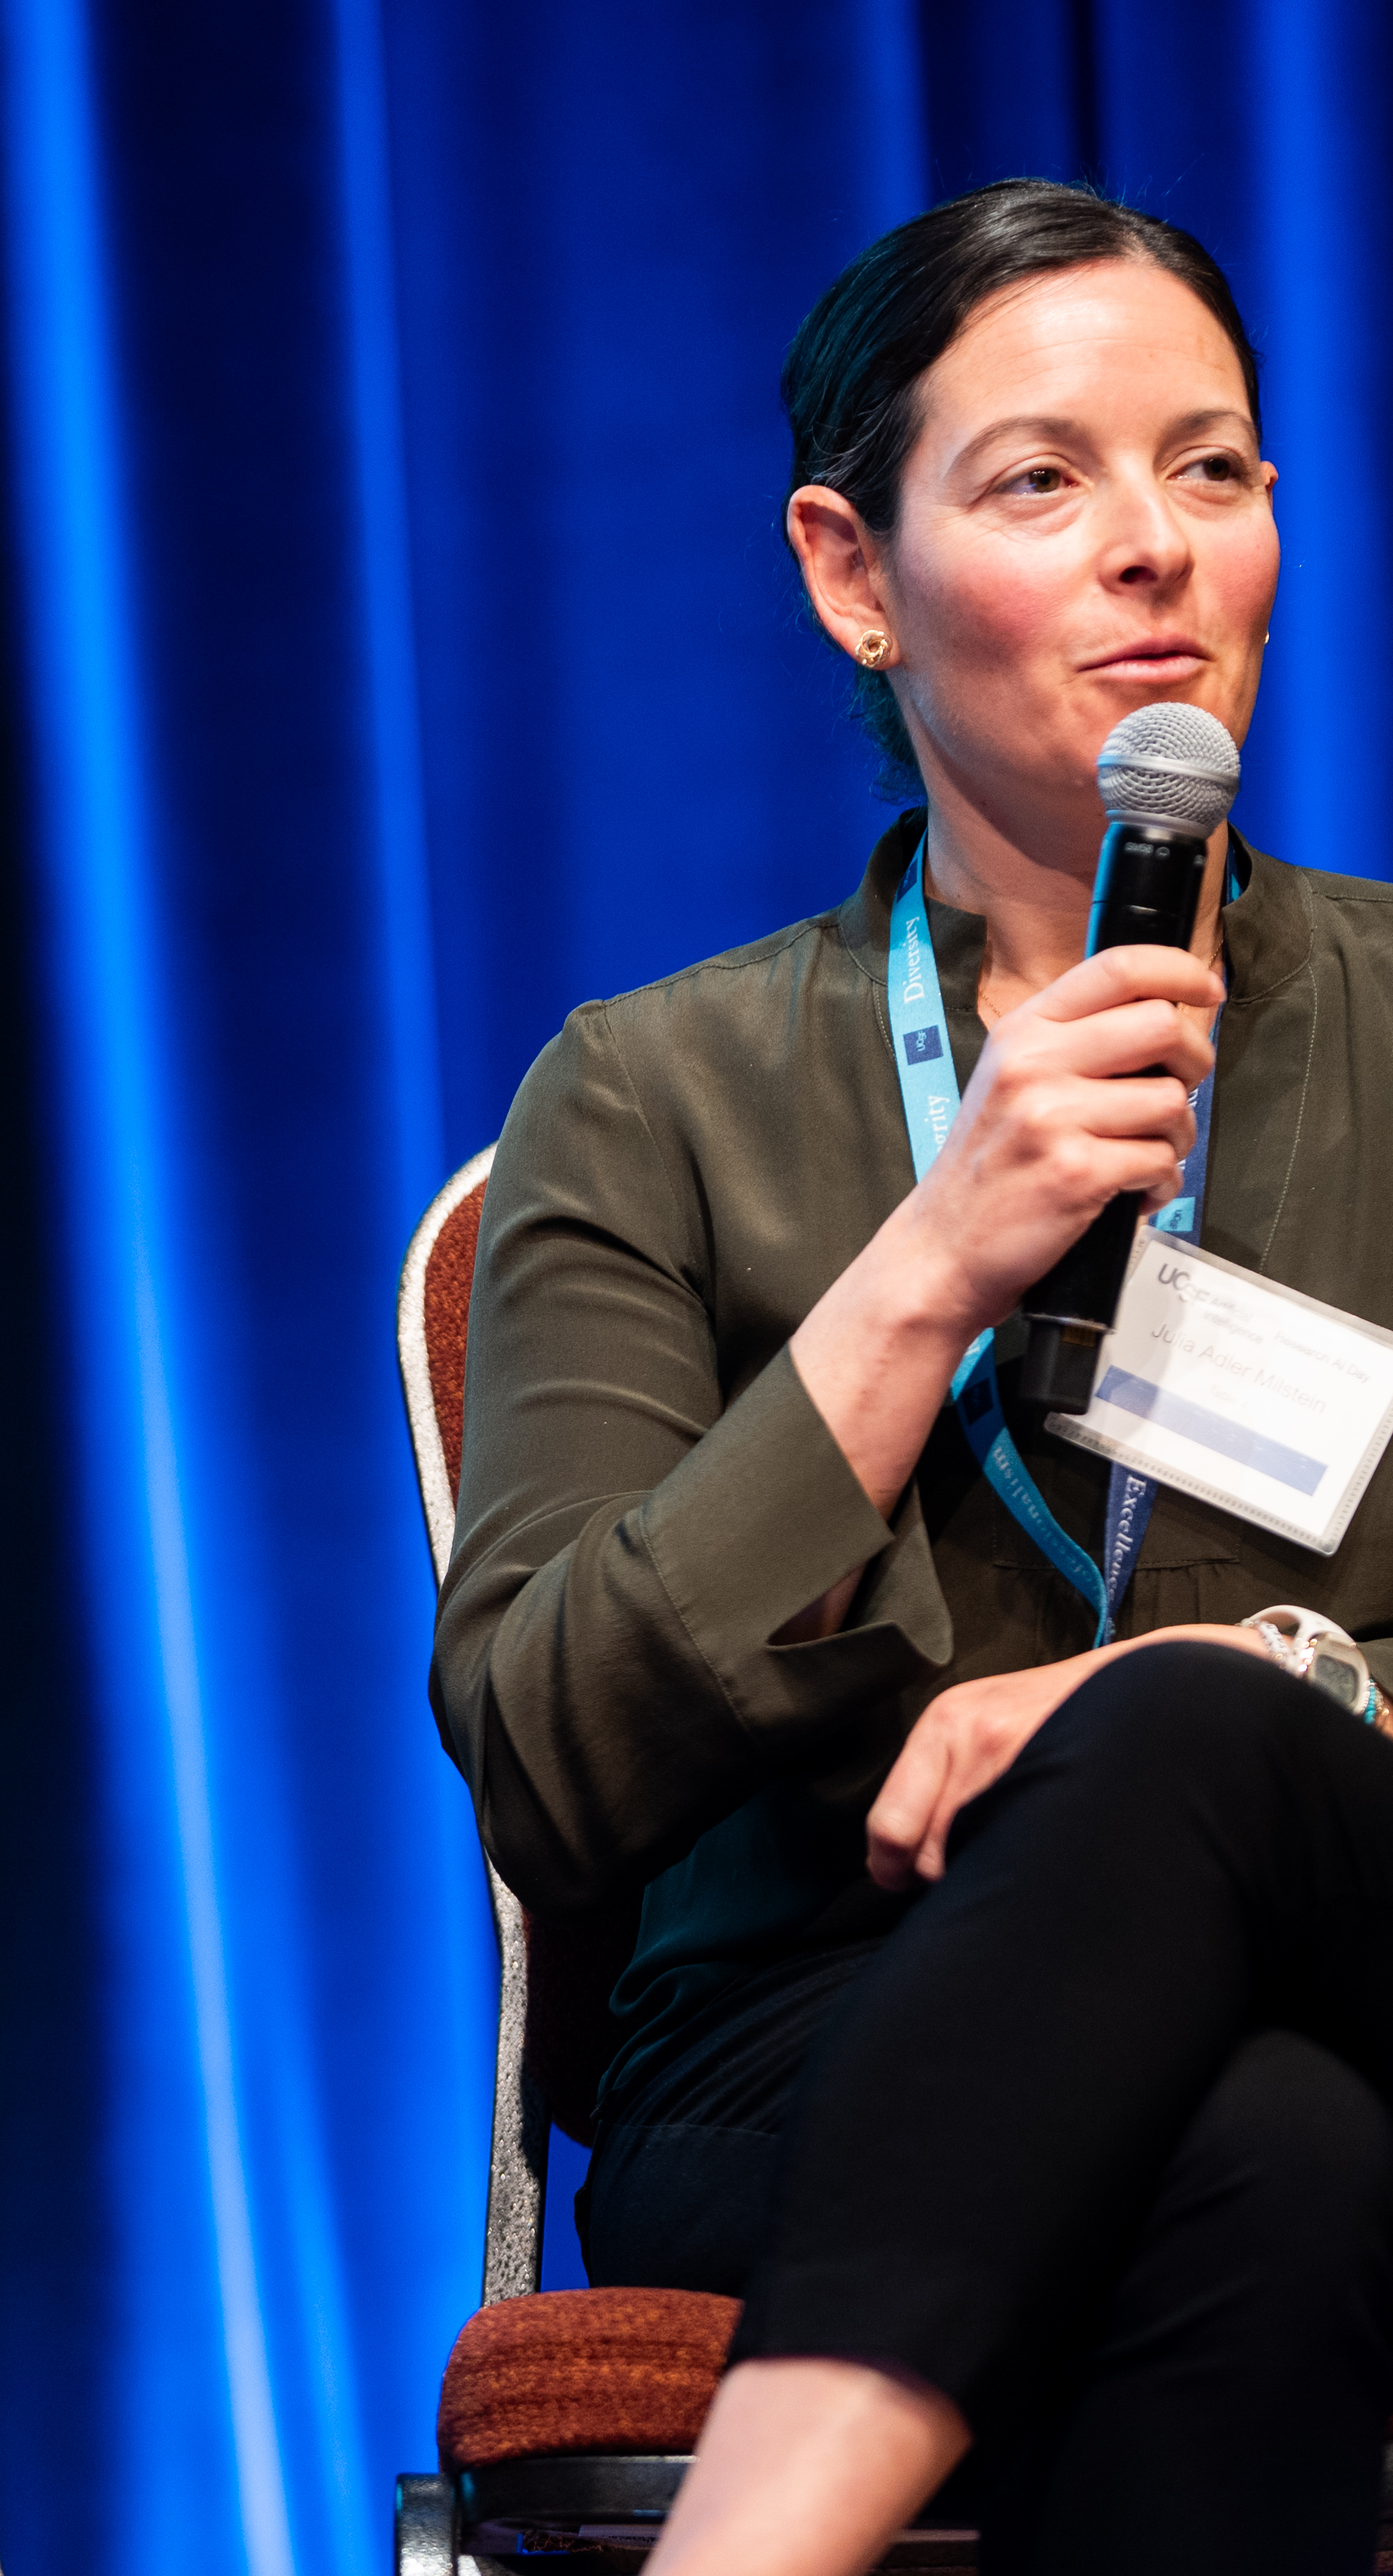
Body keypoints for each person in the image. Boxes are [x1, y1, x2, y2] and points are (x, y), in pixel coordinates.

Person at [435, 177, 1393, 2574]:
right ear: (852, 573)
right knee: (1272, 2159)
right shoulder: (652, 1096)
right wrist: (929, 1264)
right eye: (1043, 480)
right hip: (816, 2036)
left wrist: (1248, 1686)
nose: (1155, 545)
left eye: (1211, 467)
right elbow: (550, 1755)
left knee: (1184, 1738)